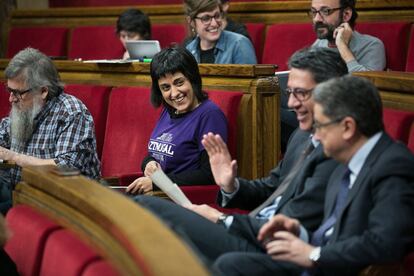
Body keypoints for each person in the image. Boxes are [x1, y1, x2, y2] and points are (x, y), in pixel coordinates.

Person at [133, 47, 348, 262]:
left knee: (146, 207)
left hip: (263, 240)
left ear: (330, 92)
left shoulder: (338, 155)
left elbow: (297, 222)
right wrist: (231, 185)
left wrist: (222, 219)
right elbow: (270, 188)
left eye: (300, 93)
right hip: (248, 227)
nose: (290, 104)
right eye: (289, 93)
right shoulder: (300, 137)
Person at [215, 76, 414, 275]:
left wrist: (314, 254)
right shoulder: (344, 164)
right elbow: (331, 234)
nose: (315, 136)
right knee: (230, 264)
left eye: (320, 126)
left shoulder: (394, 164)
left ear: (347, 127)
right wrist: (300, 233)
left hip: (335, 268)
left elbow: (386, 244)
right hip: (318, 262)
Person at [0, 48, 101, 214]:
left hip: (64, 206)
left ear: (43, 91)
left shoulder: (72, 112)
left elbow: (66, 168)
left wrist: (13, 157)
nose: (11, 99)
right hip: (21, 197)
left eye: (18, 93)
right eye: (9, 91)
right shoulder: (21, 111)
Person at [126, 47, 228, 194]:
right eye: (165, 87)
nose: (174, 93)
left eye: (179, 82)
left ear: (192, 79)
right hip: (159, 196)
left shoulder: (210, 115)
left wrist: (159, 183)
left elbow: (210, 175)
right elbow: (157, 154)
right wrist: (148, 163)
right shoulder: (168, 110)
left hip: (186, 200)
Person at [310, 0, 386, 72]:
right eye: (313, 12)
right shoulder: (319, 44)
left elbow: (365, 83)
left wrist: (343, 47)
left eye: (326, 11)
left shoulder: (371, 45)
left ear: (346, 14)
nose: (317, 19)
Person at [184, 0, 257, 64]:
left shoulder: (239, 44)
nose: (214, 23)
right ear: (191, 22)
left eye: (217, 16)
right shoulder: (188, 50)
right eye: (206, 18)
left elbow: (249, 80)